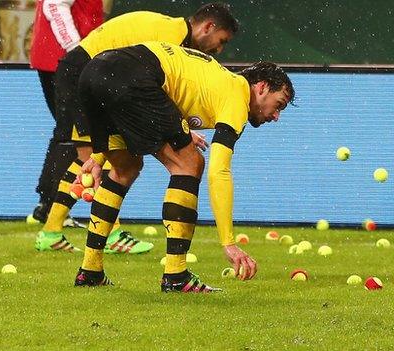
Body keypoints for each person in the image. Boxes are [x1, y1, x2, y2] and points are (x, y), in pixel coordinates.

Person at [74, 41, 294, 292]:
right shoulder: (238, 93)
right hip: (132, 75)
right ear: (262, 87)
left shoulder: (212, 80)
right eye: (279, 105)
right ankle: (176, 276)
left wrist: (99, 158)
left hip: (94, 72)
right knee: (190, 164)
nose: (276, 117)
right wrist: (228, 243)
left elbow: (167, 97)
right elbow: (218, 172)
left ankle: (90, 271)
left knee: (125, 167)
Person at [35, 3, 239, 254]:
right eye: (221, 41)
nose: (218, 50)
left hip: (88, 72)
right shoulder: (171, 36)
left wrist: (178, 126)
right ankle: (107, 234)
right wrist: (178, 128)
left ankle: (52, 231)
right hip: (85, 72)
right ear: (208, 27)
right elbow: (152, 89)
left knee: (91, 157)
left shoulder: (172, 29)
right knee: (108, 155)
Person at [29, 0, 104, 226]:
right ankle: (50, 205)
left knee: (67, 130)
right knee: (72, 131)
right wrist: (76, 49)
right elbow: (54, 5)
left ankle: (47, 203)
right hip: (64, 60)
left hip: (57, 58)